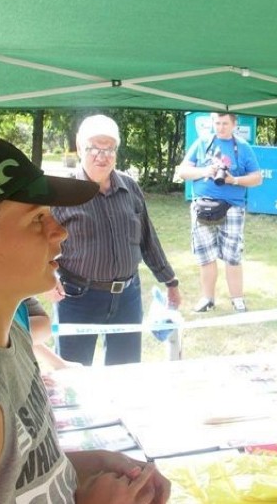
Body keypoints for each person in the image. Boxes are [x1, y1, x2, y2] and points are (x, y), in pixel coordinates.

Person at [0, 134, 170, 503]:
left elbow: (22, 470)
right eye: (37, 219)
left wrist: (99, 463)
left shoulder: (10, 337)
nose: (60, 230)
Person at [51, 114, 181, 366]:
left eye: (109, 148)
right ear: (79, 149)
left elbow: (148, 239)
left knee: (126, 374)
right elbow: (37, 244)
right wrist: (46, 276)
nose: (102, 155)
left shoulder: (130, 188)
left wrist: (170, 280)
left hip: (127, 298)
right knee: (73, 375)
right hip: (78, 298)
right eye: (94, 148)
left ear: (116, 152)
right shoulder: (62, 192)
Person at [176, 112, 262, 313]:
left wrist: (235, 180)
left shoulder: (243, 148)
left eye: (224, 123)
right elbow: (182, 171)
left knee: (232, 255)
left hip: (232, 208)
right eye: (217, 123)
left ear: (234, 124)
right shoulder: (202, 143)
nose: (220, 127)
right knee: (206, 256)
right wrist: (205, 171)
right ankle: (207, 299)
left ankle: (237, 300)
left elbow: (257, 178)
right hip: (203, 206)